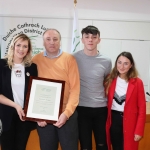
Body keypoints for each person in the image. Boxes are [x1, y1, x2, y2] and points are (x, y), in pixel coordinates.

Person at [32, 29, 80, 150]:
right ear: (43, 42)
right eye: (48, 39)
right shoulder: (35, 60)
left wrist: (67, 113)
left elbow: (75, 89)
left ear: (60, 41)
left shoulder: (70, 59)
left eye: (55, 39)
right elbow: (31, 90)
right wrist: (36, 115)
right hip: (43, 117)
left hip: (66, 114)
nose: (52, 42)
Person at [73, 25, 112, 150]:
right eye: (87, 37)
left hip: (101, 109)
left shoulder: (106, 61)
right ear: (82, 39)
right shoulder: (73, 58)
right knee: (85, 146)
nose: (90, 40)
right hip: (81, 108)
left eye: (94, 37)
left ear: (99, 40)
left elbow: (107, 83)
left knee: (102, 144)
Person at [0, 33, 38, 150]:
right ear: (13, 46)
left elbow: (34, 92)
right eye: (19, 45)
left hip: (24, 117)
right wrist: (16, 106)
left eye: (25, 46)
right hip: (6, 115)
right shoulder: (2, 65)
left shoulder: (32, 67)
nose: (21, 49)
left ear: (28, 49)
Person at [105, 51, 146, 150]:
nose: (122, 66)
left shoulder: (137, 83)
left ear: (131, 65)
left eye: (126, 63)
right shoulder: (110, 79)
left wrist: (139, 130)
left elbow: (142, 108)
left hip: (130, 122)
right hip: (114, 121)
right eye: (119, 62)